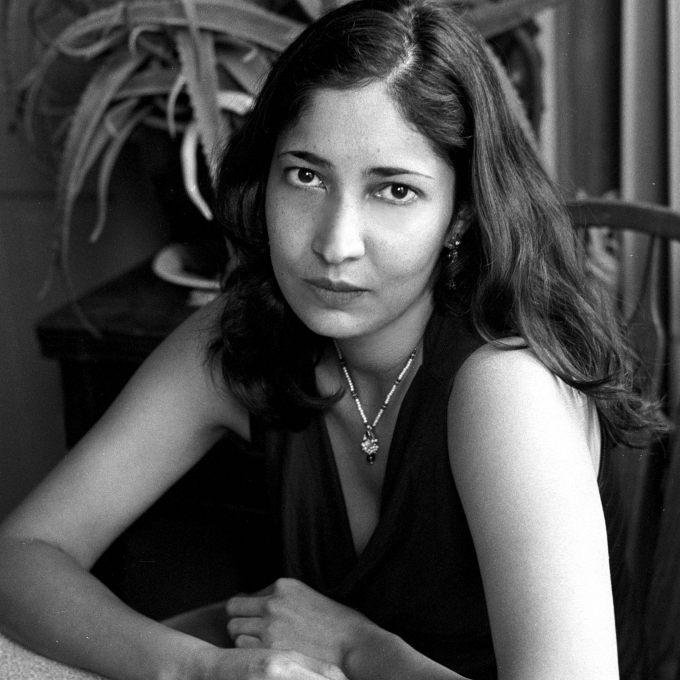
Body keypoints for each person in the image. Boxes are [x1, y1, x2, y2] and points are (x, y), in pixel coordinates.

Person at [0, 0, 663, 678]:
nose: (335, 244)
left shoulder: (506, 387)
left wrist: (359, 650)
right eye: (306, 176)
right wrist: (197, 669)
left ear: (460, 214)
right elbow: (22, 553)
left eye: (394, 191)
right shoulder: (243, 338)